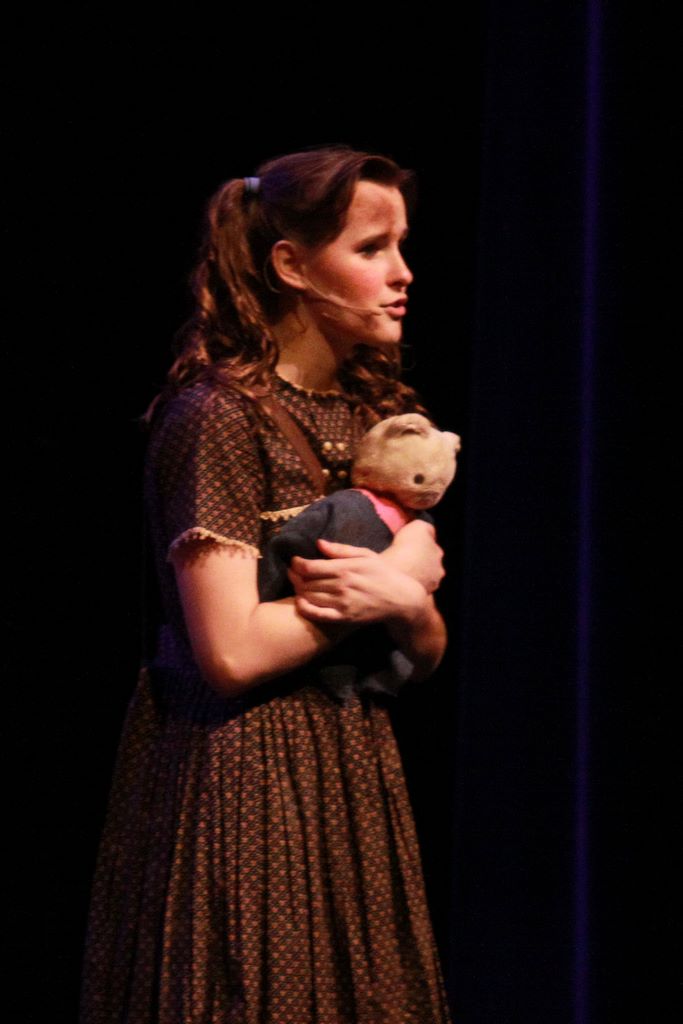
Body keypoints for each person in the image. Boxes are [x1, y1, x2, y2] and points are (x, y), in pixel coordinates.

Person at [79, 145, 454, 1024]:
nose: (402, 273)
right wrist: (384, 587)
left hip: (351, 771)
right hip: (238, 776)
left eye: (400, 245)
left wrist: (407, 604)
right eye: (371, 248)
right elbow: (233, 653)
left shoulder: (376, 421)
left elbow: (422, 652)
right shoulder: (217, 418)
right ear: (291, 265)